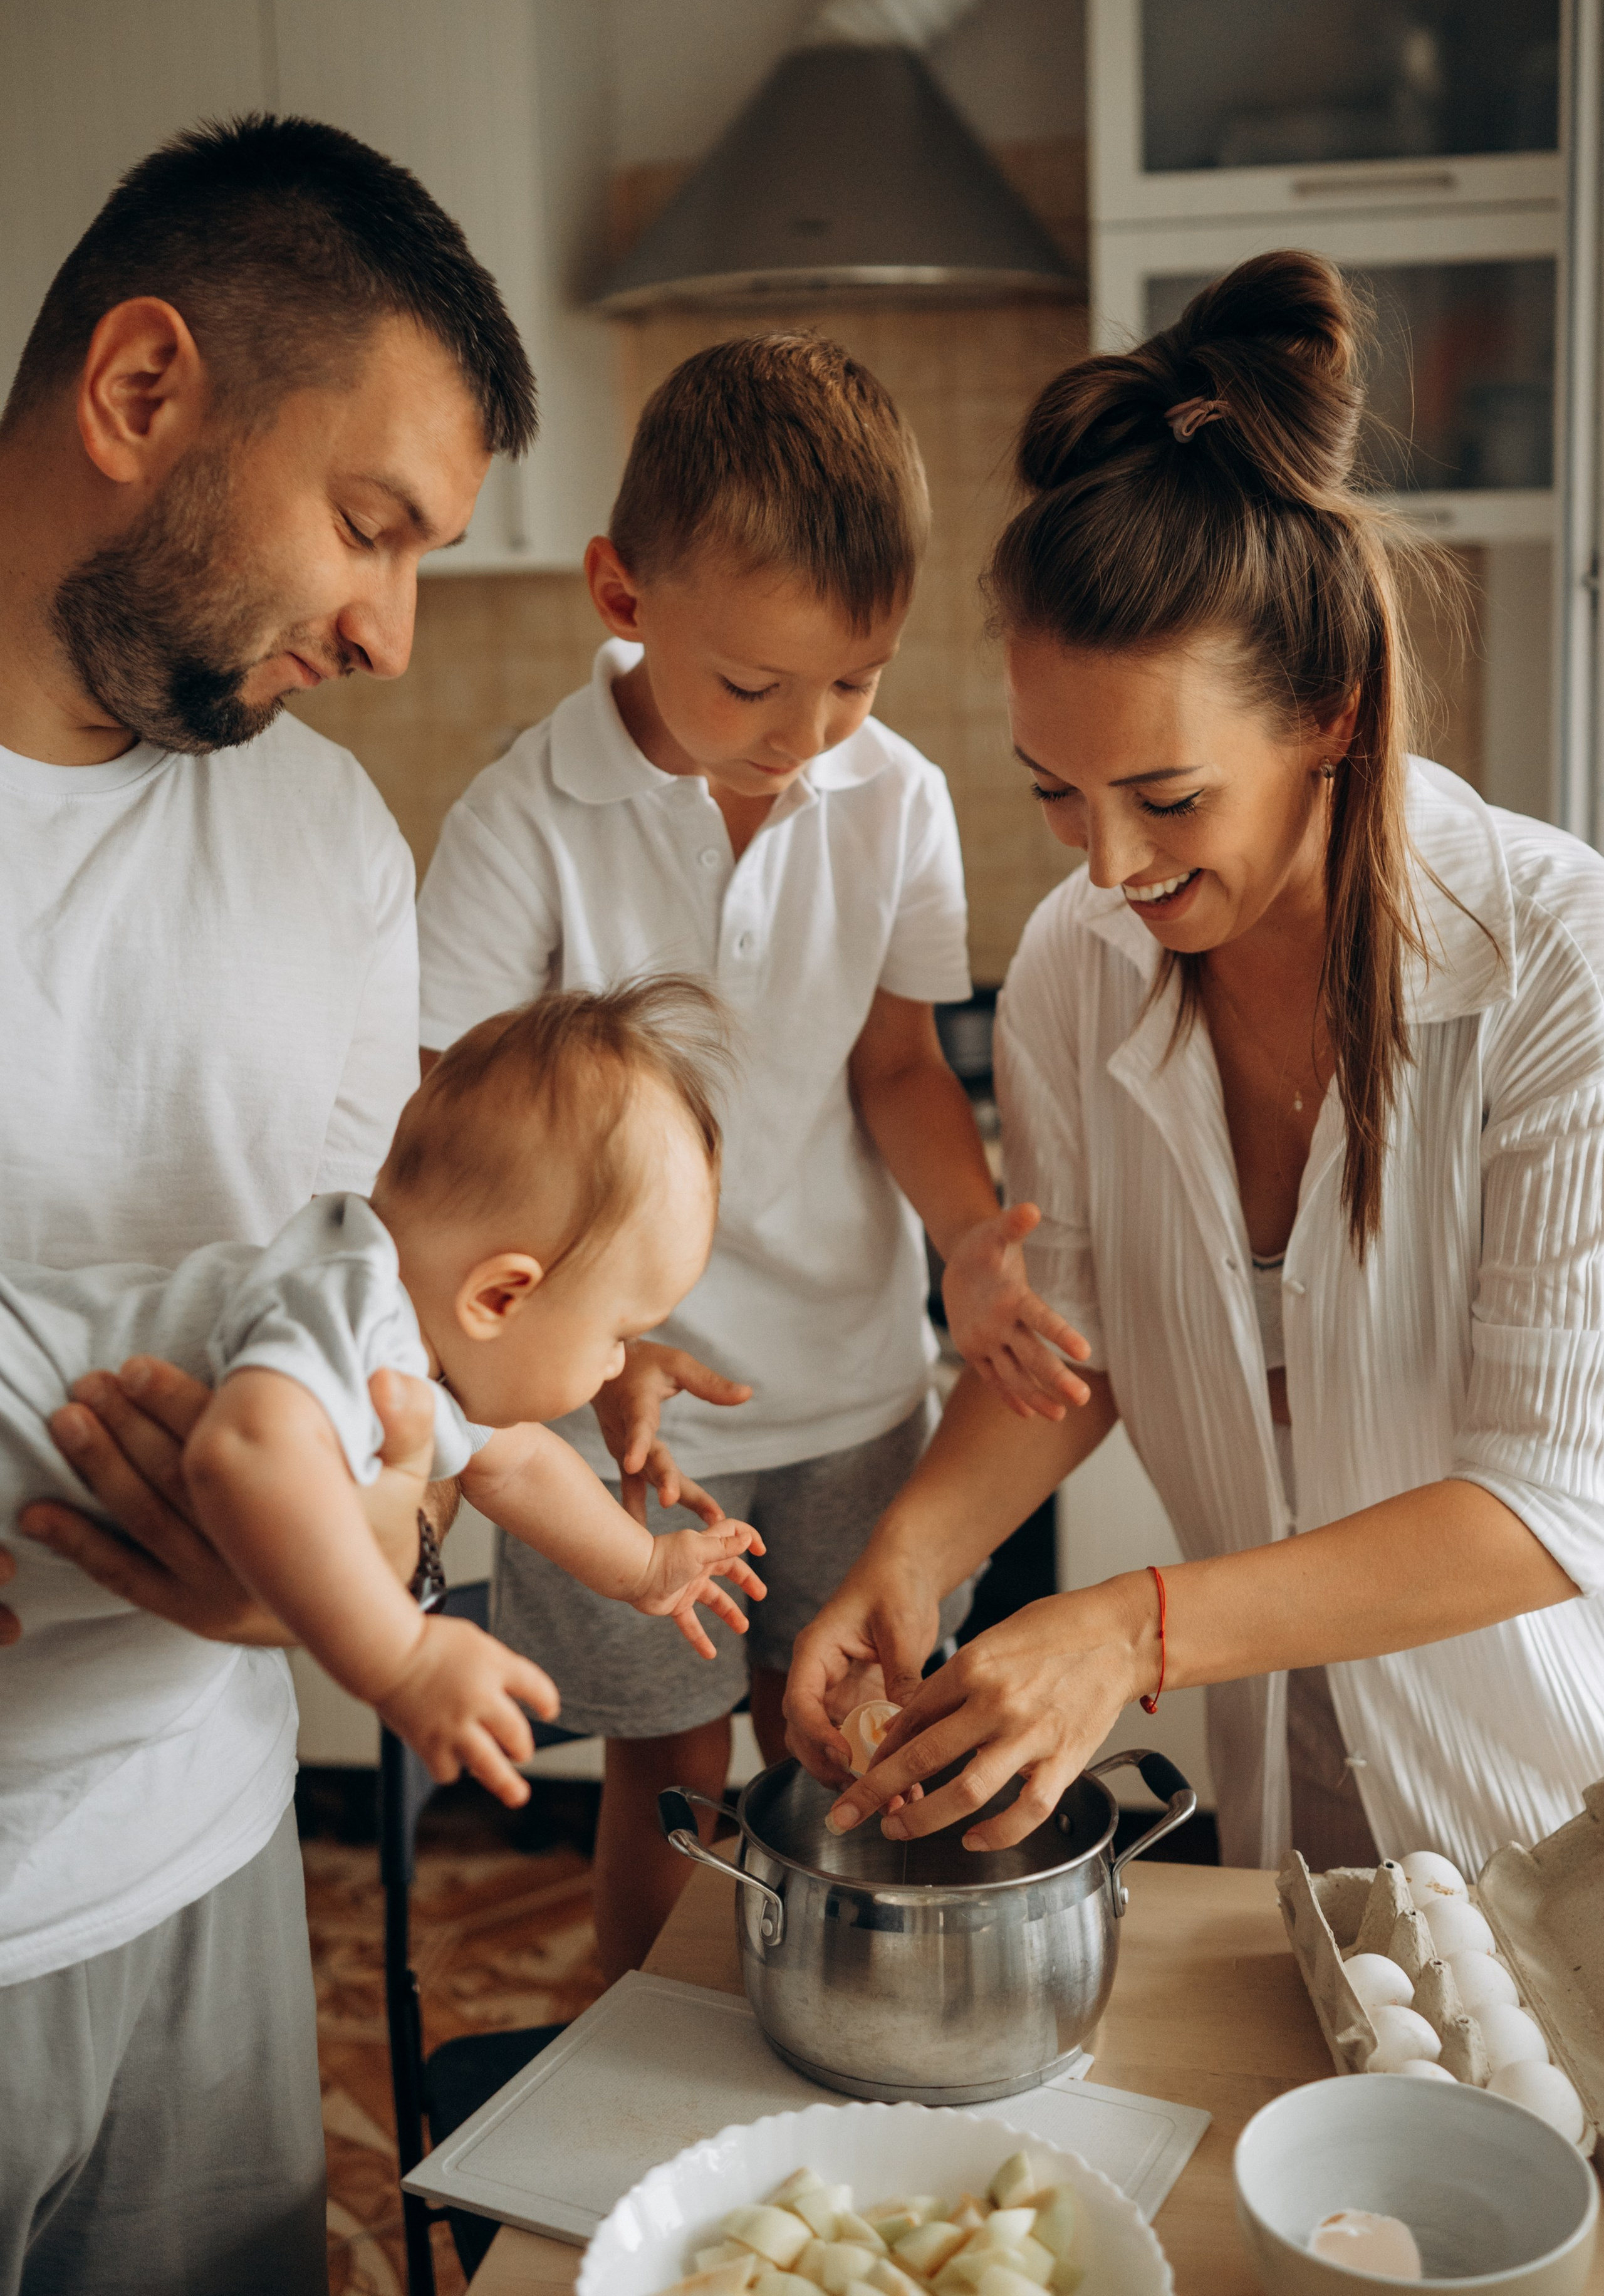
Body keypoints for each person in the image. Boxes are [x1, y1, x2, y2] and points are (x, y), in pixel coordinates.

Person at [786, 251, 1604, 1881]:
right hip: (1285, 1797)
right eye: (1054, 795)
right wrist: (913, 1550)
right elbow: (1069, 1347)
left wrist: (1133, 1632)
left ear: (1334, 719)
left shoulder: (1559, 966)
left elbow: (1550, 1504)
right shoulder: (1085, 983)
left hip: (1558, 1808)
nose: (1104, 869)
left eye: (1167, 799)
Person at [0, 115, 534, 2296]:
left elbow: (380, 1365)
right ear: (144, 396)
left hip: (210, 1873)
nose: (396, 633)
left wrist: (348, 1571)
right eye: (369, 525)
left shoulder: (329, 848)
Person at [415, 333, 1087, 1975]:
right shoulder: (524, 820)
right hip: (609, 1421)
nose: (807, 732)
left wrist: (965, 1238)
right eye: (753, 684)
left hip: (856, 1386)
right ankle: (646, 2071)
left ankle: (819, 2053)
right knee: (671, 1766)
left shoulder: (894, 796)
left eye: (855, 680)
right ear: (621, 590)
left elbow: (901, 1068)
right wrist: (612, 1342)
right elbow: (450, 1155)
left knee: (843, 1744)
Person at [3, 983, 766, 1800]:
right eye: (618, 1334)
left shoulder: (416, 1351)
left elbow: (517, 1468)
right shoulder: (353, 1305)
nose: (620, 1366)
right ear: (500, 1298)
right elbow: (243, 1452)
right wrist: (402, 1658)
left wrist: (644, 1567)